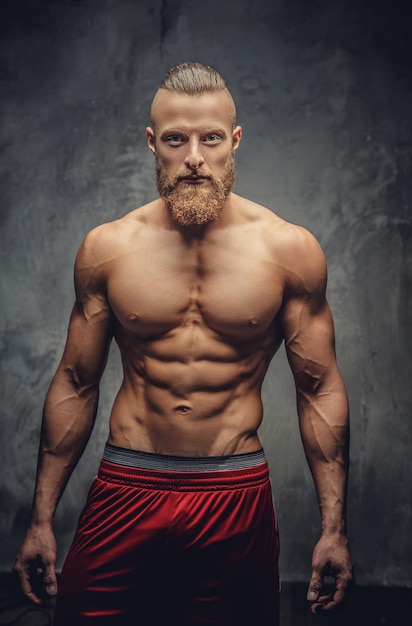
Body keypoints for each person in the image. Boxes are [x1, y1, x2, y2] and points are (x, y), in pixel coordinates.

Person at [13, 62, 353, 625]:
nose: (194, 155)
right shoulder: (109, 248)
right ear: (153, 144)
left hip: (233, 494)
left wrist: (335, 529)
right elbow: (77, 381)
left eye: (211, 138)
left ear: (234, 141)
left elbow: (319, 388)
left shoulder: (288, 251)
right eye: (176, 139)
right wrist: (40, 520)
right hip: (127, 484)